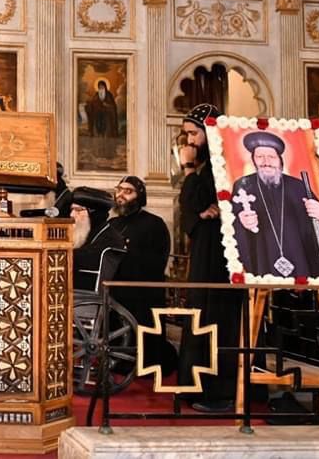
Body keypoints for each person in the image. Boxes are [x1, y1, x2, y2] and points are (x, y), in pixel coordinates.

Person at [176, 103, 241, 412]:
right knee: (201, 313)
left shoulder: (222, 164)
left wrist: (188, 170)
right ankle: (196, 386)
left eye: (193, 133)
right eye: (186, 134)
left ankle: (219, 391)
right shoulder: (208, 165)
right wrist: (199, 214)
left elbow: (200, 203)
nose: (189, 141)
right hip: (206, 251)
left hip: (221, 257)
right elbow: (192, 210)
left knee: (219, 318)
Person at [232, 131, 319, 279]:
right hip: (263, 261)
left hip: (300, 263)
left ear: (280, 160)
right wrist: (242, 223)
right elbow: (232, 225)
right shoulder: (243, 186)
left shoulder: (298, 187)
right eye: (259, 156)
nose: (266, 161)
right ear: (253, 160)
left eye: (271, 157)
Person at [108, 176, 177, 372]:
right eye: (119, 190)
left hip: (143, 292)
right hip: (116, 290)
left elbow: (158, 260)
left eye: (128, 191)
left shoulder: (154, 224)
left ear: (139, 196)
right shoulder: (112, 223)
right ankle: (118, 362)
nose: (121, 195)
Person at [71, 187, 126, 293]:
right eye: (72, 209)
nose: (72, 215)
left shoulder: (111, 239)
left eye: (78, 210)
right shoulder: (85, 232)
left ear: (94, 213)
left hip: (90, 298)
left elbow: (86, 259)